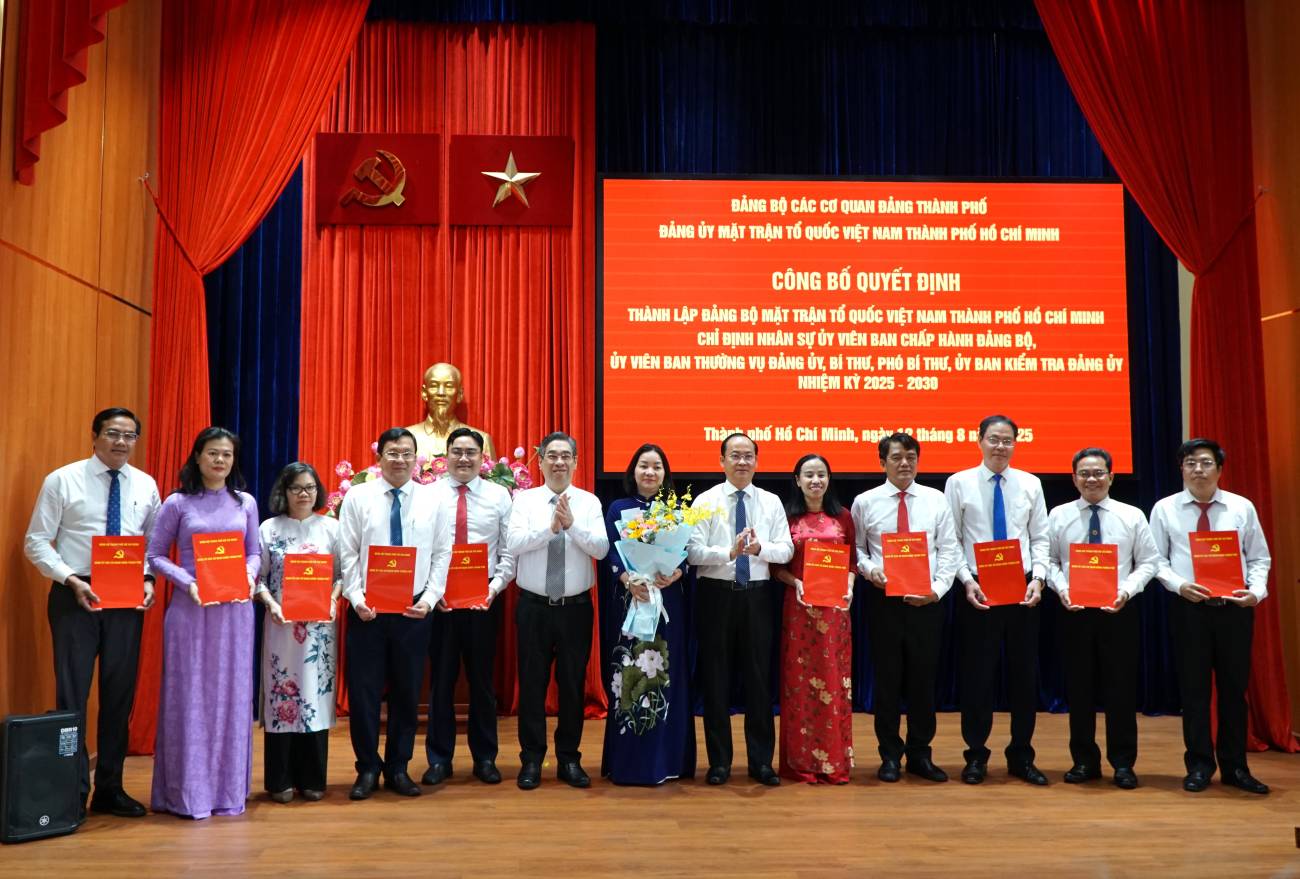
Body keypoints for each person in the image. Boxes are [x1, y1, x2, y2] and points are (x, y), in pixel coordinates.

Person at [24, 407, 161, 819]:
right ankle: (70, 792)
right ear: (95, 436)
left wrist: (149, 580)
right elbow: (36, 542)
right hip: (75, 595)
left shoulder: (146, 485)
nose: (121, 442)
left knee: (119, 697)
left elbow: (151, 545)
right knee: (72, 698)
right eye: (113, 433)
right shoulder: (62, 480)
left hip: (126, 601)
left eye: (129, 435)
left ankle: (110, 788)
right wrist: (70, 579)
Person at [146, 426, 261, 818]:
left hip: (235, 612)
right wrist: (188, 581)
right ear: (197, 457)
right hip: (191, 610)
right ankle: (186, 793)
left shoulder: (245, 502)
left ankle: (228, 791)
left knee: (231, 696)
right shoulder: (177, 503)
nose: (219, 461)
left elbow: (255, 553)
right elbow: (156, 555)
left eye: (227, 454)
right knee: (190, 697)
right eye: (212, 453)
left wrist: (248, 575)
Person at [1149, 438, 1272, 795]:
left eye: (1204, 463)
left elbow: (1260, 557)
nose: (1197, 469)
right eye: (1190, 463)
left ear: (1219, 468)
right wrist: (1179, 585)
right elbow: (1156, 561)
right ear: (1181, 469)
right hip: (1190, 610)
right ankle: (1200, 765)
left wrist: (1256, 592)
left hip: (1234, 609)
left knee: (1234, 691)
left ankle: (1236, 768)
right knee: (1195, 691)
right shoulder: (1165, 509)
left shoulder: (1241, 507)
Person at [338, 427, 448, 800]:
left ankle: (399, 767)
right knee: (365, 694)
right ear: (379, 456)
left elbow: (442, 552)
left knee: (406, 692)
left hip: (413, 610)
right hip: (368, 609)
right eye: (392, 453)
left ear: (416, 458)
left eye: (406, 453)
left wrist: (431, 598)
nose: (399, 460)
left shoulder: (433, 499)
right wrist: (355, 597)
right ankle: (367, 768)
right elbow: (348, 552)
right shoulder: (358, 496)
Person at [944, 414, 1049, 786]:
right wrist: (966, 581)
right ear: (979, 440)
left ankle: (1022, 755)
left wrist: (1039, 579)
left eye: (1007, 440)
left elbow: (1040, 538)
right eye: (994, 439)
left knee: (1023, 676)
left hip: (1022, 589)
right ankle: (976, 756)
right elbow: (951, 540)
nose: (1000, 446)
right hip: (978, 587)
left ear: (1015, 444)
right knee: (978, 677)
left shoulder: (1031, 484)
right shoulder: (958, 483)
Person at [1046, 447, 1160, 789]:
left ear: (1111, 476)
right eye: (1084, 473)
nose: (1091, 479)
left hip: (1118, 613)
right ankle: (1084, 761)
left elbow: (1149, 562)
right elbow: (1049, 560)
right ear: (1074, 478)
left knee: (1121, 691)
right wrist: (1062, 588)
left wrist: (1127, 590)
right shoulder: (1059, 515)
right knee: (1079, 691)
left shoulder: (1132, 515)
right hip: (1075, 613)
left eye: (1098, 473)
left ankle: (1123, 764)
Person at [687, 432, 793, 786]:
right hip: (715, 595)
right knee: (716, 679)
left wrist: (759, 548)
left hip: (758, 596)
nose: (742, 461)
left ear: (757, 461)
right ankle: (719, 763)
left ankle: (761, 762)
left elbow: (786, 550)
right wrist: (729, 554)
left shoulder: (771, 502)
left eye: (749, 455)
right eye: (735, 455)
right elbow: (692, 553)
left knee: (759, 680)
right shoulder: (705, 500)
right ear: (721, 461)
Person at [853, 433, 960, 784]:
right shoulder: (865, 502)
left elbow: (949, 551)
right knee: (886, 681)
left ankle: (920, 754)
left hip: (926, 603)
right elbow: (857, 552)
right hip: (883, 601)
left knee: (922, 682)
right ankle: (889, 756)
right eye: (897, 457)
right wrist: (872, 571)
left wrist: (937, 590)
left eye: (911, 457)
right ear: (881, 462)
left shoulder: (936, 500)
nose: (905, 463)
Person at [506, 431, 609, 789]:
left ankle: (569, 759)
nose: (559, 462)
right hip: (534, 607)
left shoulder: (589, 502)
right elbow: (515, 543)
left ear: (576, 462)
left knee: (571, 686)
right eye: (552, 455)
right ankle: (531, 760)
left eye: (566, 456)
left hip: (575, 608)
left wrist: (572, 526)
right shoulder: (524, 501)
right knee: (532, 687)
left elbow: (600, 549)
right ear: (541, 461)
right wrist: (550, 529)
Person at [423, 427, 515, 787]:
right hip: (440, 603)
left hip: (483, 604)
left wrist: (492, 591)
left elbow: (507, 553)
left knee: (482, 684)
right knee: (440, 684)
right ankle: (439, 759)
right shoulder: (428, 495)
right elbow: (423, 548)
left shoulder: (499, 496)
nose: (464, 458)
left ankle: (485, 758)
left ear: (482, 457)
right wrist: (433, 593)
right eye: (457, 451)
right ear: (445, 456)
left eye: (471, 452)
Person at [600, 443, 695, 785]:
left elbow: (687, 553)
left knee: (666, 676)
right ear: (633, 471)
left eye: (657, 466)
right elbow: (609, 552)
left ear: (665, 474)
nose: (650, 472)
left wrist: (677, 572)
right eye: (644, 465)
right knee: (629, 674)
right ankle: (629, 763)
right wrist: (627, 579)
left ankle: (668, 760)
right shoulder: (617, 508)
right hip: (632, 602)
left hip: (667, 602)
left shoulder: (675, 512)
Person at [255, 462, 341, 803]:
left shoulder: (331, 528)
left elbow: (343, 574)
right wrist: (270, 604)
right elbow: (257, 577)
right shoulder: (268, 529)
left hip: (320, 631)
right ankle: (279, 780)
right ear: (284, 492)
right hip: (281, 627)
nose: (303, 494)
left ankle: (313, 778)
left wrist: (333, 600)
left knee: (315, 696)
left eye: (309, 488)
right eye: (296, 488)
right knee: (281, 697)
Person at [772, 453, 856, 784]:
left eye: (821, 474)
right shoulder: (787, 518)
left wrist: (849, 585)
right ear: (797, 480)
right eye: (809, 475)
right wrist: (798, 583)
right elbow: (777, 567)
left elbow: (852, 562)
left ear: (829, 479)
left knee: (835, 685)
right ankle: (800, 764)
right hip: (799, 612)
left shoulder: (844, 517)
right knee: (799, 687)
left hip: (836, 612)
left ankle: (834, 763)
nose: (815, 480)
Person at [404, 362, 496, 462]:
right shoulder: (405, 438)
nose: (441, 393)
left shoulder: (481, 440)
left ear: (460, 394)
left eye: (449, 386)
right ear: (424, 393)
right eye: (434, 385)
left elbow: (490, 477)